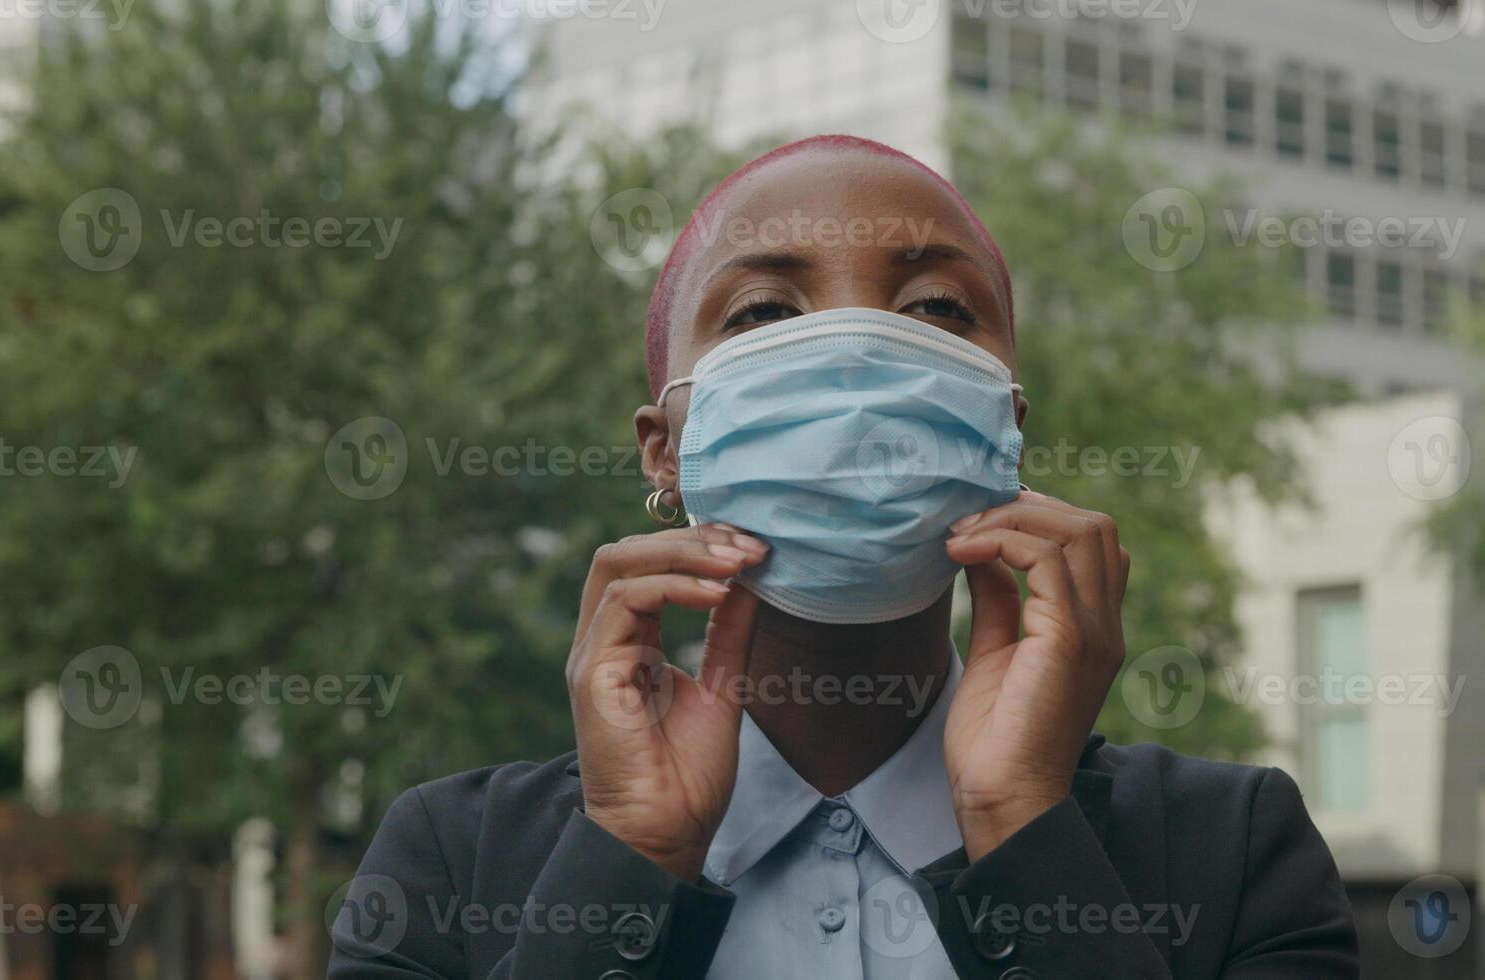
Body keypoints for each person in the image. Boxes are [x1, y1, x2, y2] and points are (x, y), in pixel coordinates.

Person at [329, 134, 1358, 979]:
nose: (857, 353)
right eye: (765, 312)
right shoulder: (446, 861)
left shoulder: (1232, 849)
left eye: (935, 310)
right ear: (666, 451)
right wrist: (628, 856)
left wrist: (1021, 826)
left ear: (1004, 430)